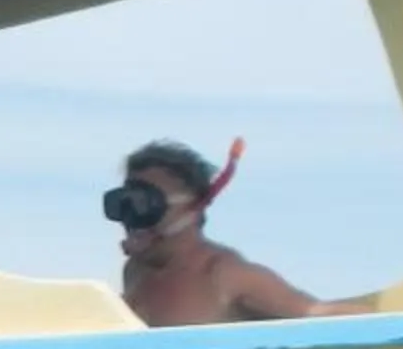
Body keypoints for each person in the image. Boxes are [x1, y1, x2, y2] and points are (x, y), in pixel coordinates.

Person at [105, 138, 364, 327]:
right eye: (123, 204)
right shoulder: (136, 272)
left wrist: (401, 330)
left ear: (192, 209)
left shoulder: (225, 275)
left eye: (143, 203)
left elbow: (314, 313)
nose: (131, 217)